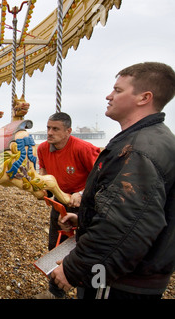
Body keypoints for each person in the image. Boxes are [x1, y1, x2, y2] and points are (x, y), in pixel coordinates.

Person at [52, 62, 175, 299]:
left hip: (119, 282)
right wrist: (85, 218)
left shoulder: (138, 150)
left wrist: (73, 269)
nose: (109, 96)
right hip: (135, 276)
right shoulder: (151, 139)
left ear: (144, 98)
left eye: (118, 90)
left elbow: (124, 229)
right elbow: (139, 212)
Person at [34, 112, 100, 299]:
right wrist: (42, 189)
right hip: (60, 203)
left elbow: (102, 178)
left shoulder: (84, 149)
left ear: (68, 131)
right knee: (56, 246)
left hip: (85, 206)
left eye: (55, 129)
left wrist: (80, 194)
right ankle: (55, 292)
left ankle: (86, 291)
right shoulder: (43, 149)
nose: (49, 132)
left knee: (85, 249)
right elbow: (44, 172)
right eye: (48, 128)